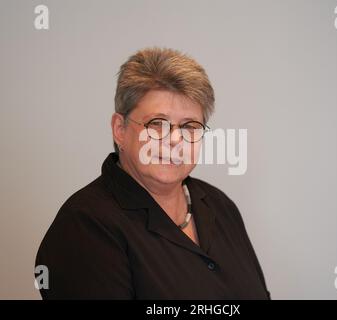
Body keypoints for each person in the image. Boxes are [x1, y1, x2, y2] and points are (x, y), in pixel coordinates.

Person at [35, 47, 271, 299]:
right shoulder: (85, 225)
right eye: (157, 124)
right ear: (119, 129)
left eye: (189, 126)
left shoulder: (220, 205)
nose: (175, 140)